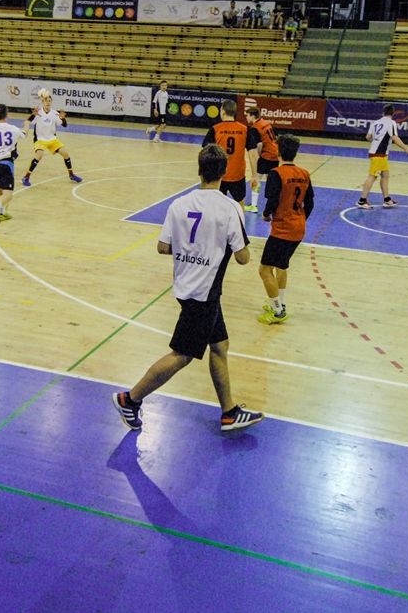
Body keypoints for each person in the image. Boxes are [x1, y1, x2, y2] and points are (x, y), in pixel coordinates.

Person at [111, 144, 263, 433]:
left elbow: (162, 247)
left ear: (199, 170)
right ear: (224, 173)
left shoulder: (179, 204)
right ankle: (129, 399)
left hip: (187, 286)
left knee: (219, 346)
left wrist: (191, 250)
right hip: (204, 293)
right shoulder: (230, 207)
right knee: (182, 355)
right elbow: (243, 258)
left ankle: (229, 412)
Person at [258, 135, 313, 326]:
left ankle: (277, 311)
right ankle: (280, 303)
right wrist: (300, 218)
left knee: (264, 270)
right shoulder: (304, 173)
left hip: (282, 230)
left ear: (278, 152)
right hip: (298, 228)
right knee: (281, 266)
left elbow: (272, 200)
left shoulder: (276, 174)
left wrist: (266, 214)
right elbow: (310, 203)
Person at [202, 99, 258, 210]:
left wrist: (205, 175)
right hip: (238, 175)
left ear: (223, 111)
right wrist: (254, 175)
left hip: (219, 175)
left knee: (216, 206)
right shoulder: (245, 129)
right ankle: (240, 221)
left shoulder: (215, 129)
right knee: (240, 204)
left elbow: (206, 155)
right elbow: (253, 154)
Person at [21, 88, 82, 186]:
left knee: (66, 154)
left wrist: (63, 118)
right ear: (42, 102)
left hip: (52, 139)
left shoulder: (55, 113)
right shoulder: (38, 113)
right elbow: (28, 121)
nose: (48, 102)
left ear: (51, 102)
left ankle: (71, 175)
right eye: (46, 101)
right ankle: (26, 177)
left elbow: (64, 125)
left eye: (49, 101)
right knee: (39, 155)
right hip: (40, 140)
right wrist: (33, 115)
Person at [357, 104, 408, 210]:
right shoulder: (391, 123)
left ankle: (387, 199)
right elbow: (394, 137)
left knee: (385, 175)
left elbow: (368, 137)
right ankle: (362, 200)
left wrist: (376, 141)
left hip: (378, 153)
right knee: (372, 176)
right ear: (393, 113)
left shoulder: (375, 122)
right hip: (379, 153)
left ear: (383, 112)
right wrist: (405, 147)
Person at [244, 105, 279, 213]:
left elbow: (259, 145)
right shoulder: (265, 122)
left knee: (256, 179)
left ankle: (254, 206)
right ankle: (274, 205)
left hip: (266, 156)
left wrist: (259, 156)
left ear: (252, 116)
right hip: (275, 154)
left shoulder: (255, 128)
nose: (246, 118)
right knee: (272, 182)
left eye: (247, 116)